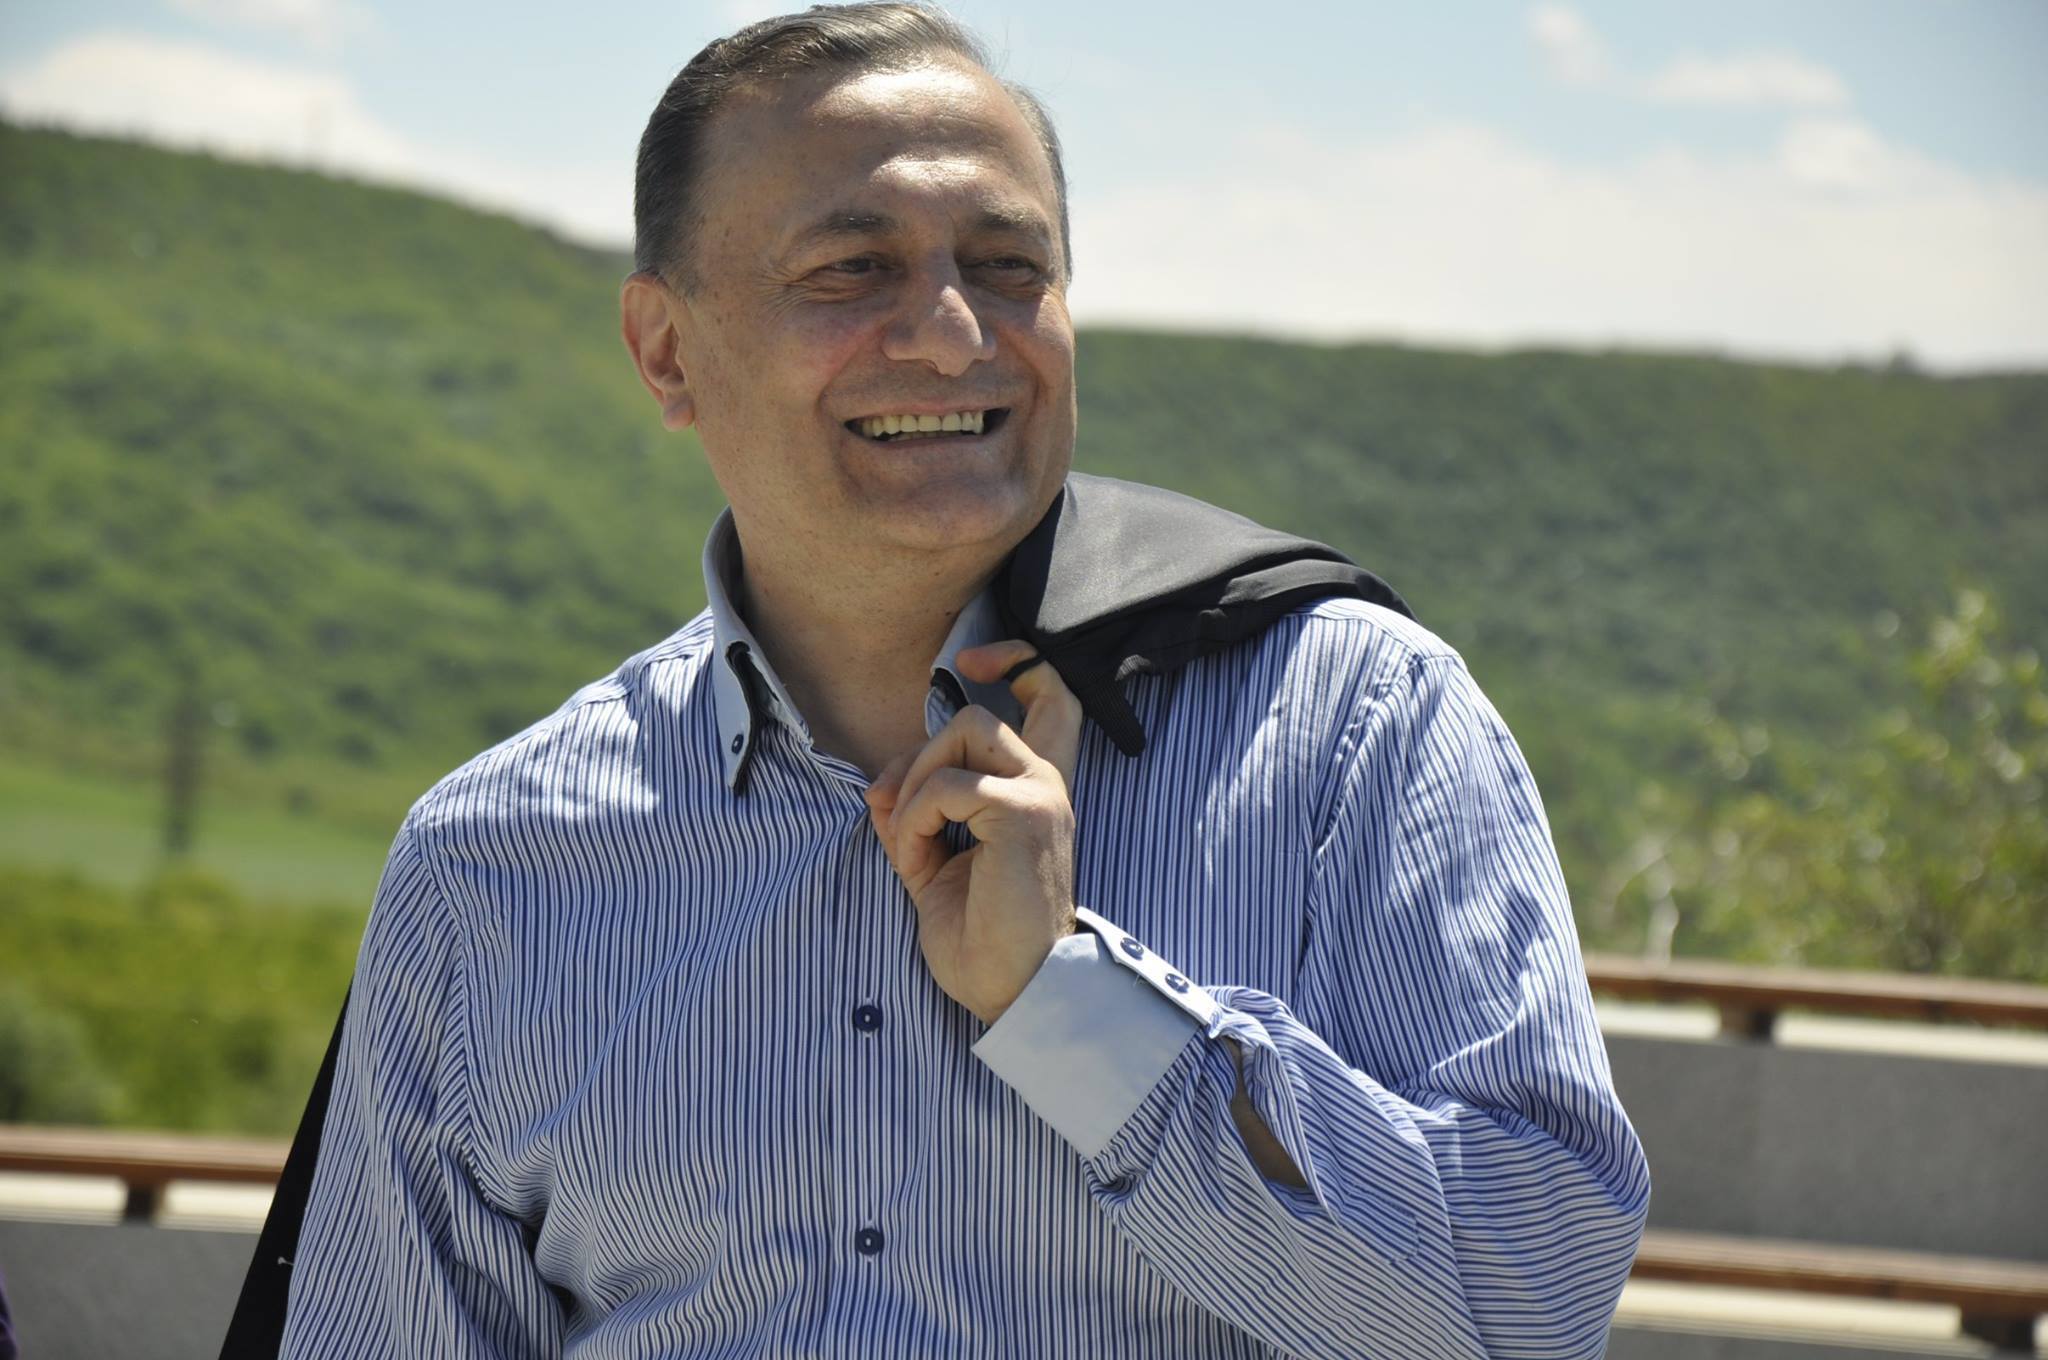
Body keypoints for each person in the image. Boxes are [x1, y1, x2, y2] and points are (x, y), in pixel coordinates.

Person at [277, 4, 1650, 1356]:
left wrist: (1078, 1013)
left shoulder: (1357, 730)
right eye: (850, 270)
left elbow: (1531, 1313)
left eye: (1007, 266)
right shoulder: (490, 869)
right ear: (667, 350)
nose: (950, 335)